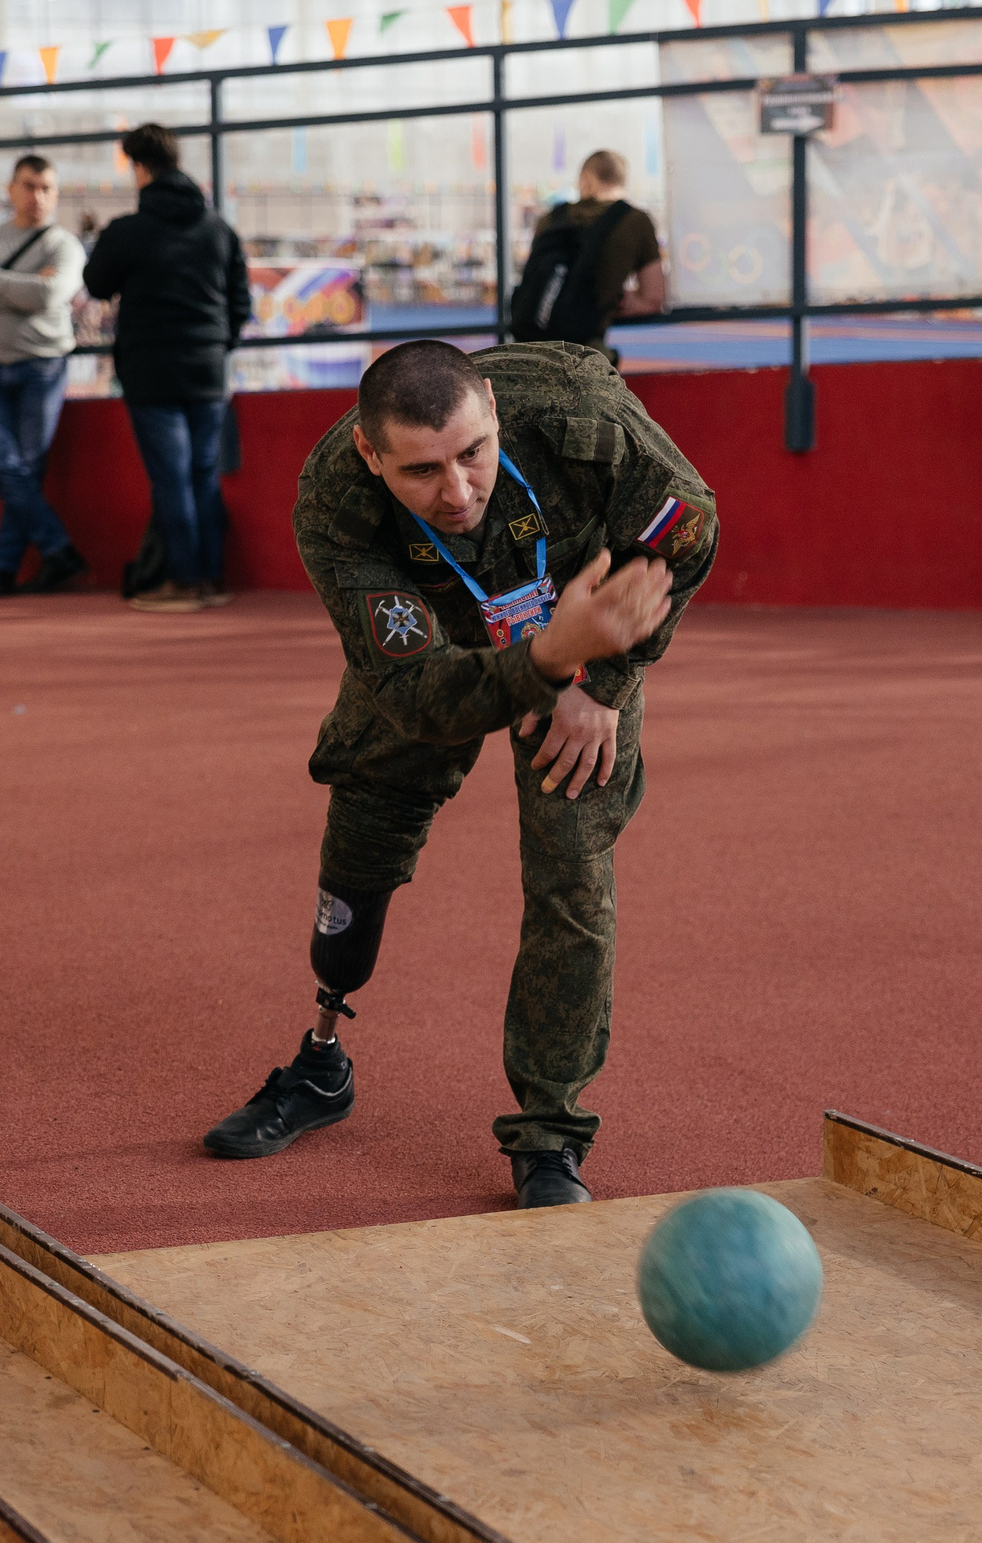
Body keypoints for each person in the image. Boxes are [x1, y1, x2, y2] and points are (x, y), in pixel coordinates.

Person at [198, 340, 714, 1210]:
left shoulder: (579, 414)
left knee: (571, 872)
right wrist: (545, 661)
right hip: (438, 641)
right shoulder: (336, 500)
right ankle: (321, 1060)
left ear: (495, 414)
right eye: (422, 470)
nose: (459, 491)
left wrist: (602, 679)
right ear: (370, 453)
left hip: (582, 620)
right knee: (365, 821)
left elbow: (687, 527)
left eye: (474, 453)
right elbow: (416, 695)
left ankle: (549, 1135)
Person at [82, 124, 251, 613]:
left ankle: (182, 581)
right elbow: (241, 303)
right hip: (208, 368)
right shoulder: (219, 229)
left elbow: (96, 283)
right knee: (203, 474)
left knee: (171, 478)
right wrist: (217, 344)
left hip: (151, 368)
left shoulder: (127, 231)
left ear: (139, 168)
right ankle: (210, 579)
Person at [0, 153, 91, 598]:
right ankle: (57, 548)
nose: (38, 196)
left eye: (47, 188)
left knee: (27, 466)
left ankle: (2, 567)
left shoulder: (64, 245)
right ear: (11, 189)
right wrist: (24, 287)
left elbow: (51, 295)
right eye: (29, 186)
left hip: (42, 366)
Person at [513, 149, 665, 367]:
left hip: (531, 348)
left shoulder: (551, 218)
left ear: (587, 178)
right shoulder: (636, 221)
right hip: (583, 356)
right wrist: (616, 300)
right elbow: (654, 298)